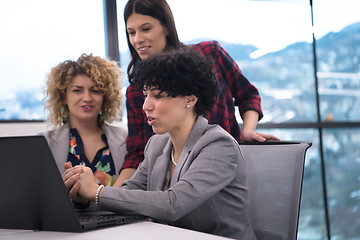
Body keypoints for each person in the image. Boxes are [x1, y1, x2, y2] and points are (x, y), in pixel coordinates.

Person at [63, 49, 257, 239]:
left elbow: (173, 204)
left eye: (157, 95)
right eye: (146, 94)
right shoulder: (157, 145)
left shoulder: (219, 145)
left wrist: (97, 192)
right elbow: (128, 195)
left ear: (190, 99)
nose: (146, 105)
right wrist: (85, 198)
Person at [115, 0, 279, 186]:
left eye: (146, 29)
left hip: (225, 175)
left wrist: (248, 130)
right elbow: (137, 155)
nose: (137, 39)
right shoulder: (136, 92)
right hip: (177, 184)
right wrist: (104, 198)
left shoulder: (210, 54)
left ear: (166, 27)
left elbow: (247, 95)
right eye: (131, 32)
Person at [41, 53, 127, 187]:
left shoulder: (126, 139)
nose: (87, 98)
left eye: (95, 91)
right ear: (64, 97)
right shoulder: (43, 143)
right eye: (77, 90)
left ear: (106, 97)